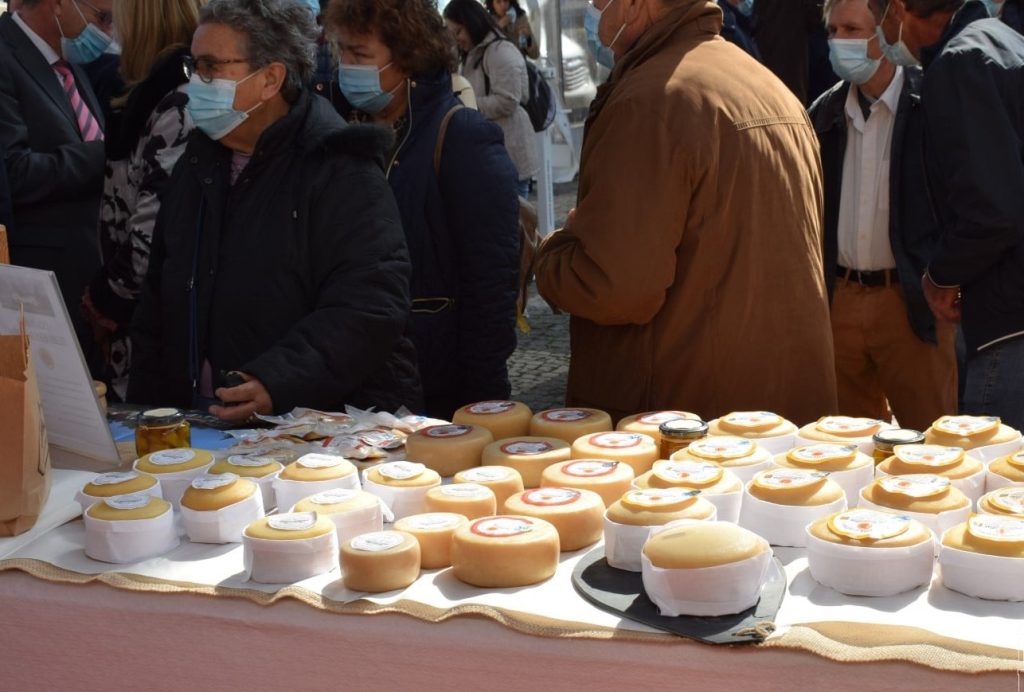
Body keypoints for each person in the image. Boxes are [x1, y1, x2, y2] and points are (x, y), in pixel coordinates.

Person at [535, 0, 837, 423]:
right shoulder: (771, 88)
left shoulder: (649, 102)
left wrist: (551, 255)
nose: (592, 10)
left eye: (599, 2)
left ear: (637, 5)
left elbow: (616, 286)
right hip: (781, 410)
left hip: (686, 424)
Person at [128, 0, 421, 421]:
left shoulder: (338, 166)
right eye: (195, 66)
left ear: (270, 79)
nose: (197, 82)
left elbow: (370, 304)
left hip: (313, 436)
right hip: (198, 428)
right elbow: (158, 299)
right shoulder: (198, 162)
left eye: (212, 66)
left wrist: (277, 380)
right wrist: (149, 411)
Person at [325, 0, 520, 420]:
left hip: (439, 381)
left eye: (359, 55)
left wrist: (483, 399)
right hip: (362, 377)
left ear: (408, 57)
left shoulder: (461, 136)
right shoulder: (353, 132)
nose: (346, 66)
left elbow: (491, 279)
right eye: (341, 52)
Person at [871, 0, 1024, 428]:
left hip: (1008, 326)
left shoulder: (961, 63)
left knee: (1000, 485)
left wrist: (940, 275)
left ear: (897, 8)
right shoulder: (1005, 44)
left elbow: (992, 211)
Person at [809, 0, 956, 431]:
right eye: (833, 30)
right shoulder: (823, 115)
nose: (840, 42)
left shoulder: (930, 105)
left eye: (853, 29)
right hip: (841, 299)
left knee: (933, 443)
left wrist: (944, 274)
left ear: (884, 31)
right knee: (845, 447)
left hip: (911, 300)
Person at [81, 0, 201, 401]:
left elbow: (150, 232)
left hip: (147, 320)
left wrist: (106, 299)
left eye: (114, 19)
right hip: (132, 317)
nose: (113, 32)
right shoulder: (150, 93)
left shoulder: (177, 103)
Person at [0, 0, 113, 377]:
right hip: (43, 288)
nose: (108, 34)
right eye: (102, 18)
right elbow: (12, 172)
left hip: (85, 280)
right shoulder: (5, 56)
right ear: (61, 3)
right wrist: (105, 155)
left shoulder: (66, 64)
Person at [444, 0, 538, 198]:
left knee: (513, 224)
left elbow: (508, 101)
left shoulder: (499, 51)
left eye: (458, 32)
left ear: (472, 23)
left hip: (510, 157)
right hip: (491, 157)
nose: (456, 39)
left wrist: (464, 105)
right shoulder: (473, 52)